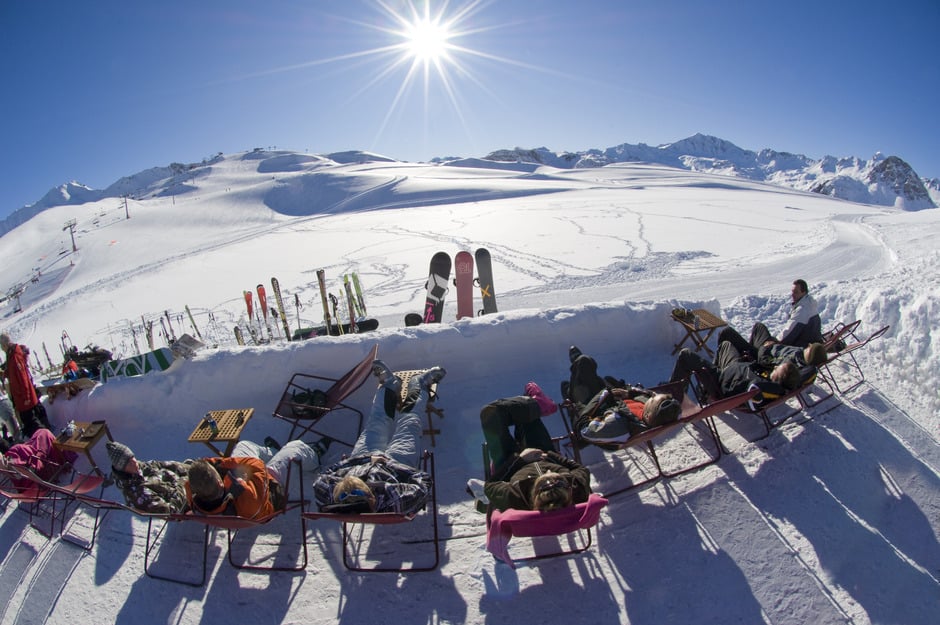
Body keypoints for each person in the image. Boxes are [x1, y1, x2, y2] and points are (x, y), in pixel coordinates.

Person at [312, 361, 446, 515]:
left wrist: (360, 461)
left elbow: (321, 479)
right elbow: (424, 483)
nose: (350, 493)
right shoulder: (393, 498)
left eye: (344, 495)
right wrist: (390, 464)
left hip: (361, 457)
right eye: (359, 494)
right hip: (398, 463)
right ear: (369, 496)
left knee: (376, 420)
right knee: (409, 422)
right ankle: (419, 383)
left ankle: (390, 384)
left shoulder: (332, 497)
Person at [476, 386, 592, 511]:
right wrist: (550, 456)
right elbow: (580, 468)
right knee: (521, 415)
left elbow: (490, 485)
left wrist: (519, 460)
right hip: (542, 453)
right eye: (559, 478)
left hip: (511, 466)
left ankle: (536, 404)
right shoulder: (576, 489)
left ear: (534, 493)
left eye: (543, 480)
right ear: (567, 489)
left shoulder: (516, 498)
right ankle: (532, 403)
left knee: (489, 413)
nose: (548, 472)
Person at [186, 437, 321, 519]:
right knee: (295, 447)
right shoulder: (248, 496)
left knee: (243, 445)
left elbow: (202, 467)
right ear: (220, 483)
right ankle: (315, 456)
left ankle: (273, 451)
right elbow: (258, 466)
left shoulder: (194, 495)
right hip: (270, 492)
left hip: (249, 488)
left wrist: (219, 465)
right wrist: (235, 468)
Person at [669, 341, 802, 405]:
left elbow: (731, 391)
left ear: (779, 376)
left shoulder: (758, 386)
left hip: (720, 380)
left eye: (779, 368)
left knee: (685, 354)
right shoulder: (767, 378)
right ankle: (704, 390)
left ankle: (674, 397)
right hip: (734, 367)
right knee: (725, 344)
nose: (776, 367)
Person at [106, 441, 193, 514]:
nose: (134, 462)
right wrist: (184, 482)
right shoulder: (138, 494)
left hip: (184, 484)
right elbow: (172, 512)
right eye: (128, 463)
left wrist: (192, 469)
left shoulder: (143, 467)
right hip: (186, 502)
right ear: (122, 470)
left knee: (195, 465)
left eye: (132, 457)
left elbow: (171, 465)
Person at [0, 333, 50, 437]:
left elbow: (22, 378)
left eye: (1, 346)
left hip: (23, 398)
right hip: (22, 397)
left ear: (5, 345)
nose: (1, 348)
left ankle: (43, 438)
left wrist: (26, 397)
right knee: (32, 419)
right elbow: (12, 371)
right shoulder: (11, 354)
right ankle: (44, 435)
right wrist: (5, 373)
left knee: (31, 422)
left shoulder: (14, 357)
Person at [717, 322, 828, 368]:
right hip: (770, 347)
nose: (809, 345)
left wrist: (765, 348)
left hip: (762, 353)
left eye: (811, 348)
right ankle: (747, 350)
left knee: (726, 333)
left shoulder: (792, 359)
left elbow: (765, 361)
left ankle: (720, 364)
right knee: (759, 327)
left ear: (810, 355)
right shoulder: (800, 354)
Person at [1, 428, 77, 488]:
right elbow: (33, 462)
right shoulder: (17, 466)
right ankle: (62, 455)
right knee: (44, 433)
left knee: (40, 434)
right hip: (34, 462)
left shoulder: (11, 466)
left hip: (25, 462)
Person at [778, 279, 824, 347]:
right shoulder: (808, 302)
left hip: (803, 345)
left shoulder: (803, 309)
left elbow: (788, 333)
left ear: (804, 292)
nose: (792, 295)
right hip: (811, 341)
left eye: (796, 292)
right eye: (792, 292)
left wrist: (775, 342)